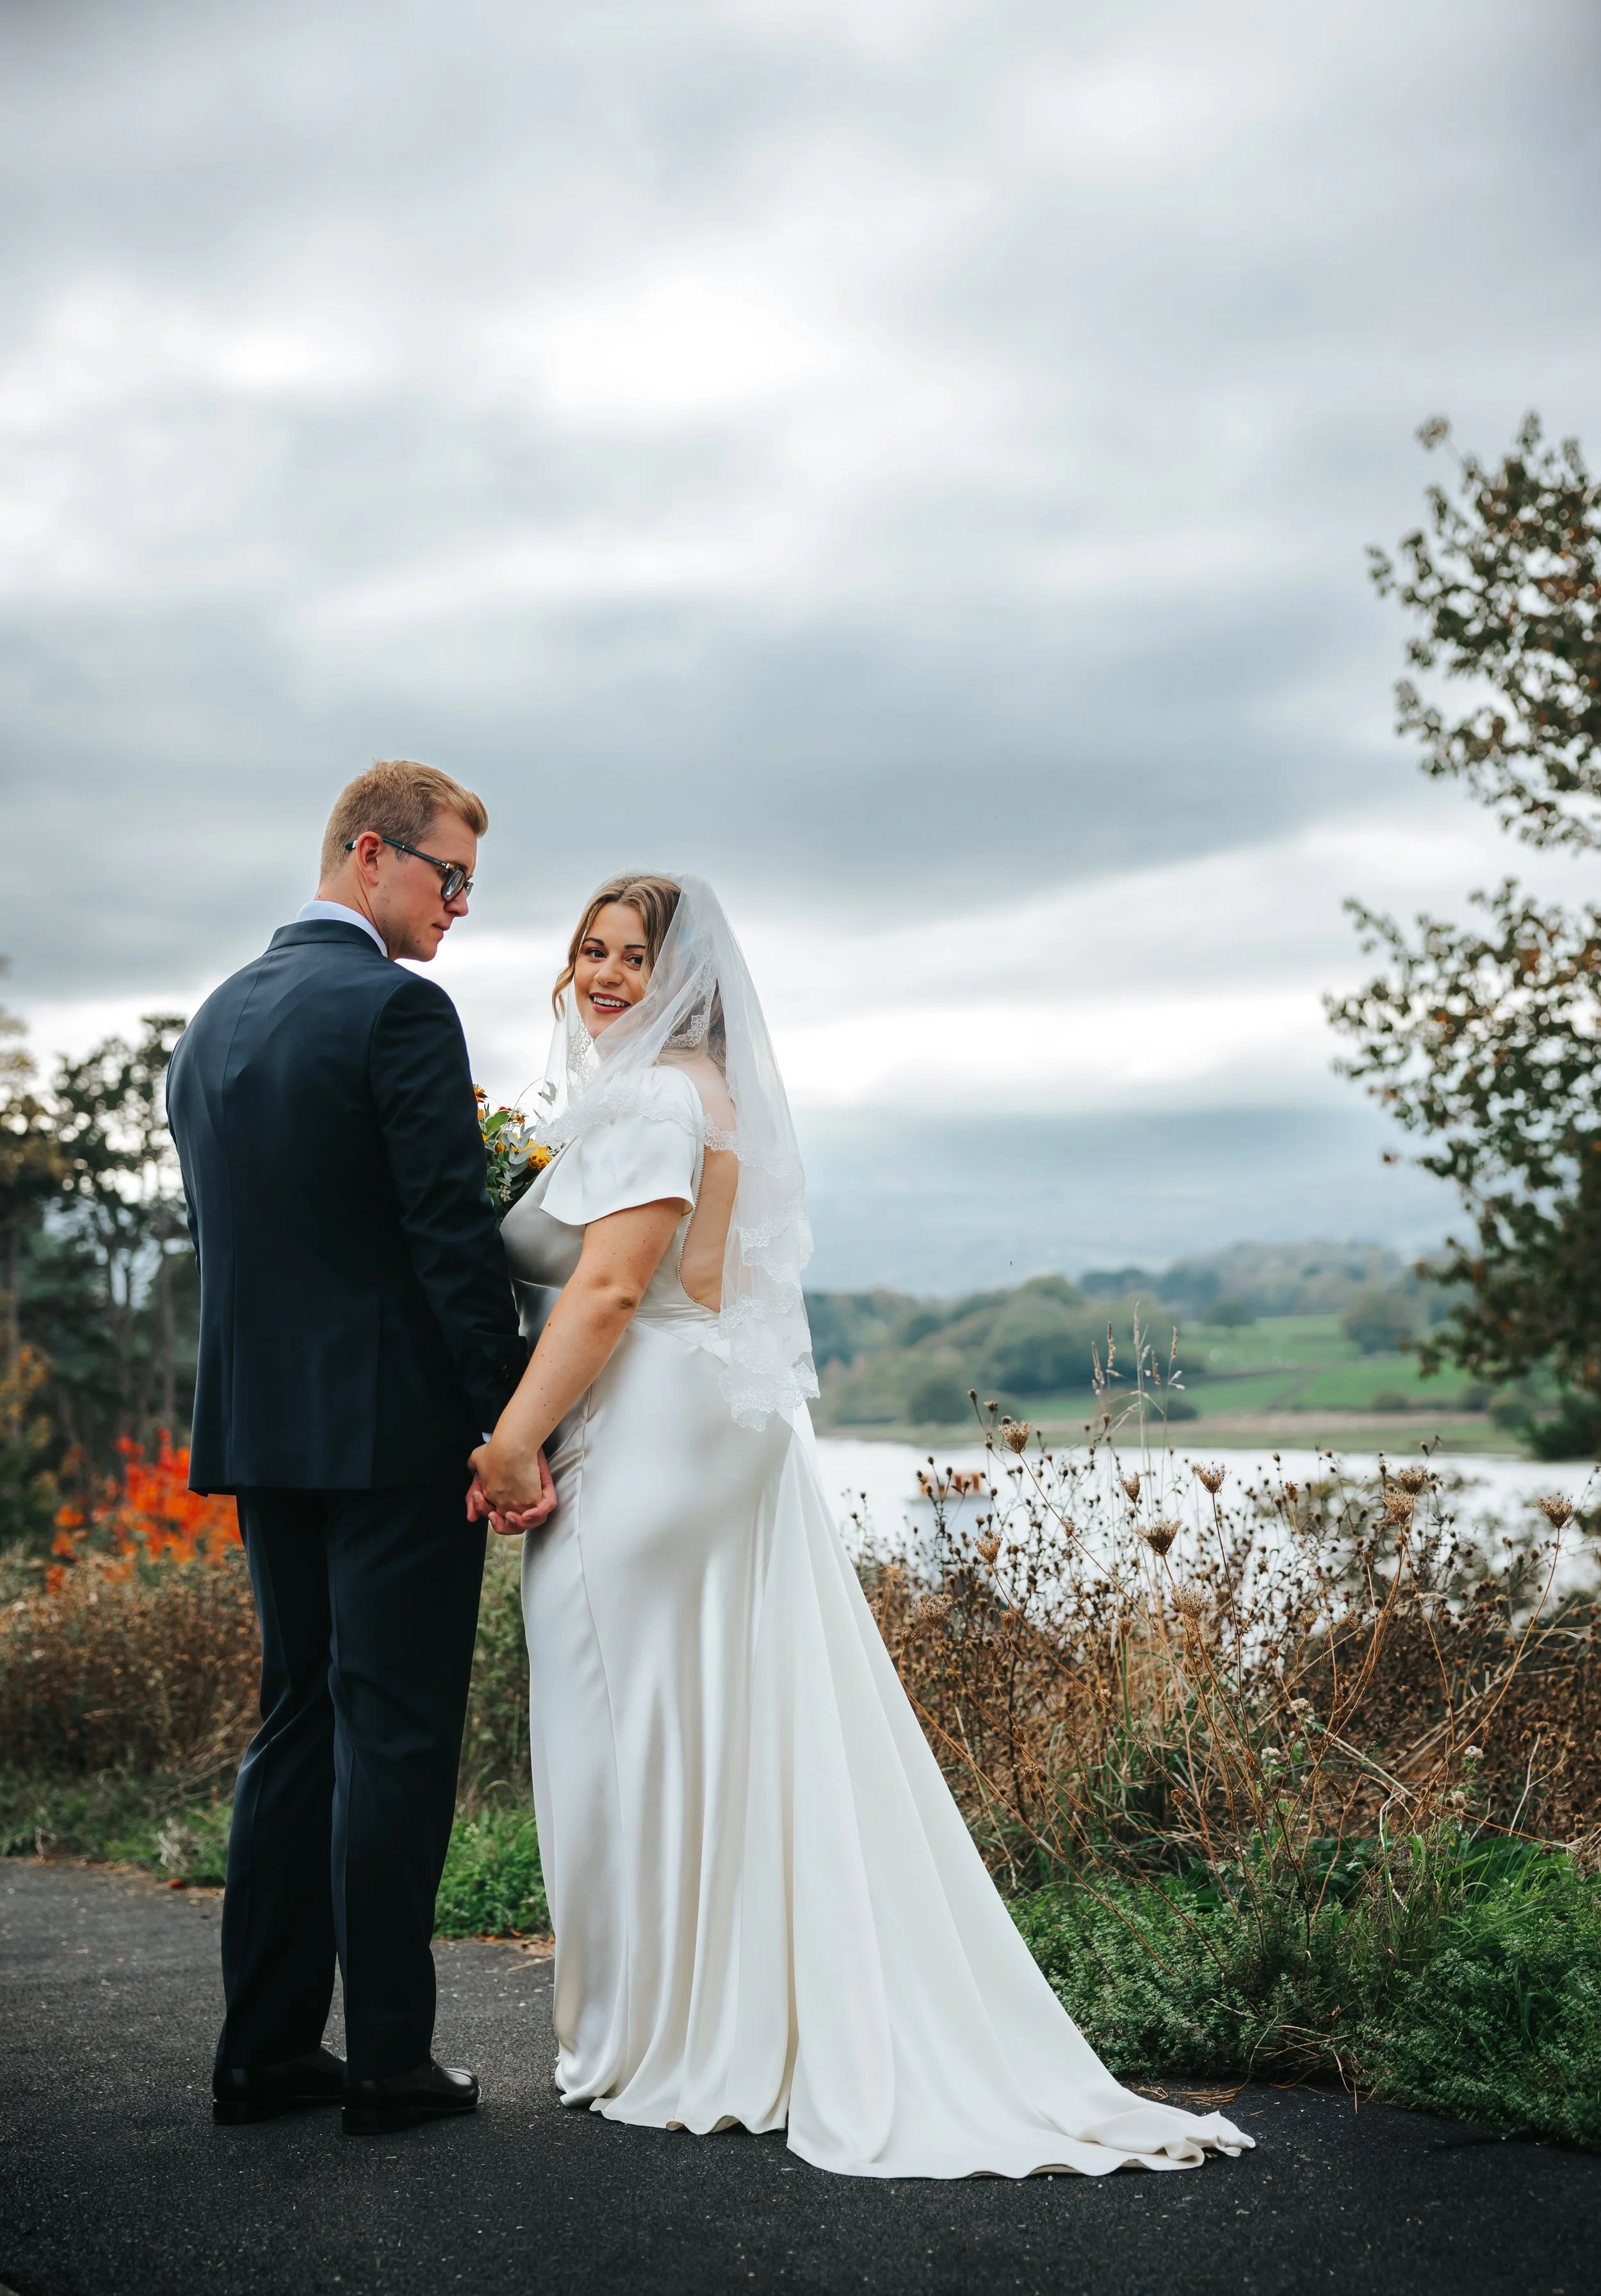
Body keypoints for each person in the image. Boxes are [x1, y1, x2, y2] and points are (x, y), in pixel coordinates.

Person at [474, 873, 1254, 2179]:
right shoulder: (702, 1098)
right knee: (707, 1721)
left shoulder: (660, 1098)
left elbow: (608, 1290)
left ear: (685, 983)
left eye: (632, 956)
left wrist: (508, 1442)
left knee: (620, 1723)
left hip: (653, 1425)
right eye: (589, 951)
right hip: (715, 1419)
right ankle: (712, 2013)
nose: (604, 975)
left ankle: (650, 2034)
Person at [167, 761, 551, 2138]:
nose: (459, 907)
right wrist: (512, 1420)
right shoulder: (396, 1007)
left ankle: (266, 2050)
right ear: (373, 854)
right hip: (394, 1433)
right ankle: (389, 2056)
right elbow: (449, 1248)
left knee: (297, 1722)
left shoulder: (211, 1023)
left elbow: (238, 1243)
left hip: (263, 1432)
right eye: (449, 877)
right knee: (394, 1732)